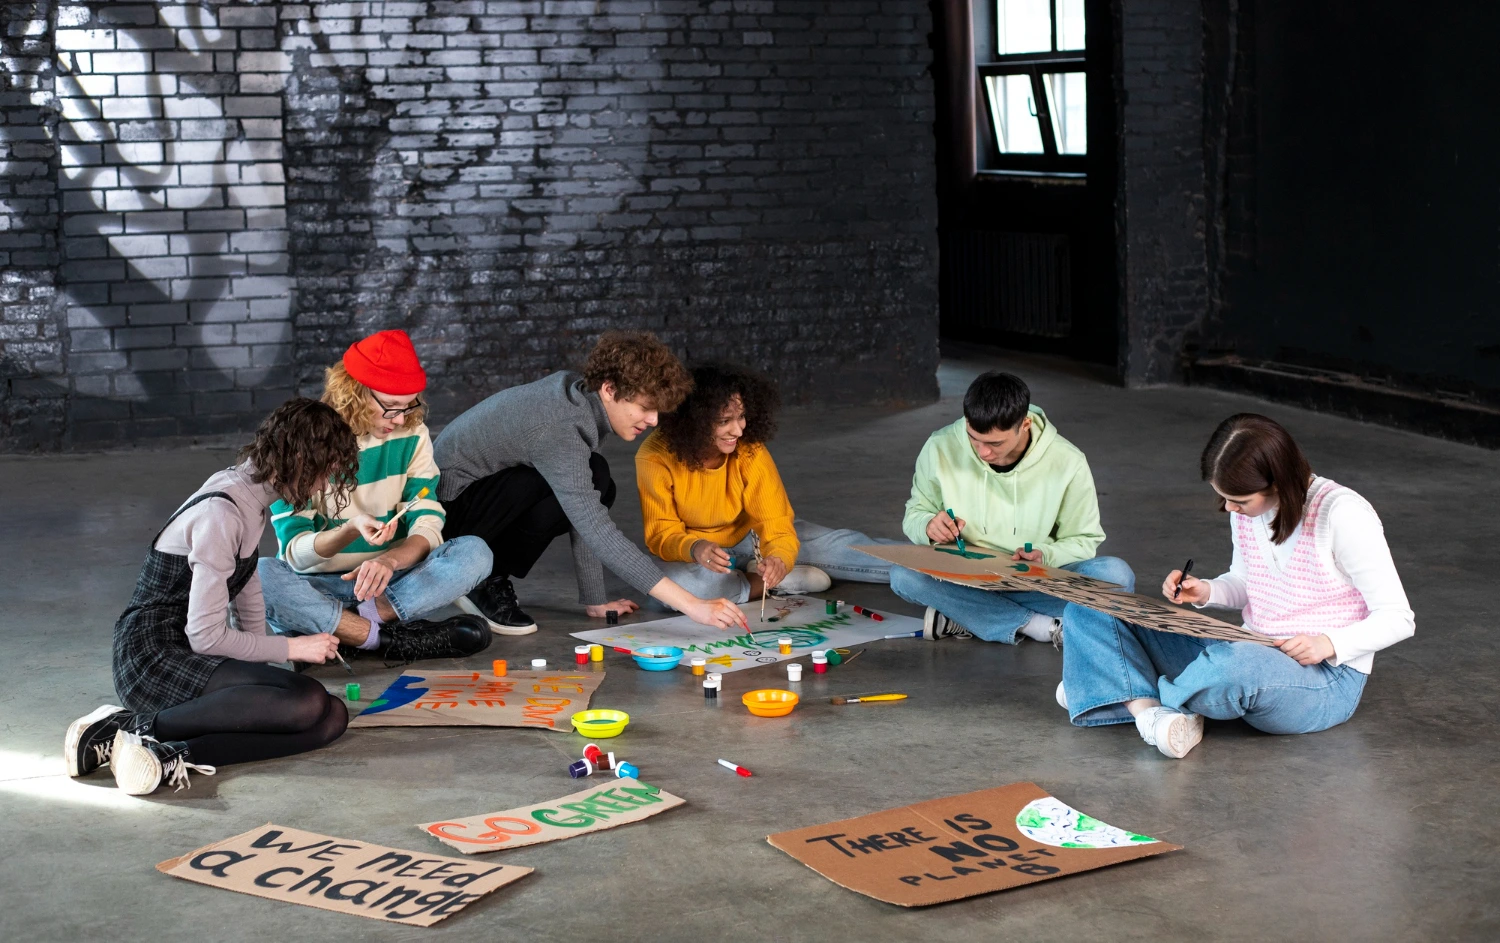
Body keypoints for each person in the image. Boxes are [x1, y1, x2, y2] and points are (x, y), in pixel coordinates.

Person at [1058, 413, 1415, 759]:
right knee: (1089, 608)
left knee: (1231, 669)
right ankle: (1150, 713)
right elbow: (1247, 581)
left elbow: (1398, 618)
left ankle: (1105, 683)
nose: (1229, 508)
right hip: (1247, 645)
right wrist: (1206, 591)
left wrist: (1328, 643)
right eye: (1224, 497)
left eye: (1240, 500)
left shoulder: (1343, 514)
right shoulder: (1247, 513)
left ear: (1278, 483)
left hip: (1324, 677)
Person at [64, 399, 355, 796]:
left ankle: (169, 755)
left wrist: (265, 680)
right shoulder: (223, 512)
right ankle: (126, 727)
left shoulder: (252, 499)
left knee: (331, 715)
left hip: (190, 650)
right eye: (322, 473)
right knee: (306, 700)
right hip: (153, 655)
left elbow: (247, 595)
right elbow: (205, 636)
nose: (322, 486)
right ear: (300, 459)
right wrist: (294, 647)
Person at [434, 331, 749, 633]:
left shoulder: (582, 399)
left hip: (478, 501)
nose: (654, 420)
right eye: (645, 408)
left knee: (596, 476)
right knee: (557, 482)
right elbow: (596, 528)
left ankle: (489, 572)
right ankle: (478, 578)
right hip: (445, 517)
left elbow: (586, 509)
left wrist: (595, 599)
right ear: (610, 389)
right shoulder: (560, 428)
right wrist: (694, 605)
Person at [256, 331, 493, 663]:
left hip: (389, 587)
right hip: (316, 586)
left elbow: (427, 521)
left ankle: (347, 630)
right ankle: (382, 640)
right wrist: (349, 530)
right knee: (259, 574)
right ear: (354, 392)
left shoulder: (413, 434)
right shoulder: (300, 439)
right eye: (391, 407)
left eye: (408, 405)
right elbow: (295, 555)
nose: (400, 419)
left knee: (475, 553)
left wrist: (389, 561)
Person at [892, 371, 1135, 642]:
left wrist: (1045, 555)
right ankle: (1035, 625)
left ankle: (968, 614)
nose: (983, 452)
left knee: (1116, 576)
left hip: (1033, 579)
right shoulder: (940, 445)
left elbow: (1084, 539)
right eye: (973, 437)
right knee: (904, 576)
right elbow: (915, 512)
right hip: (964, 576)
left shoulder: (1068, 462)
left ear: (1025, 424)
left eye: (995, 443)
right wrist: (928, 526)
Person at [636, 362, 903, 607]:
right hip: (696, 553)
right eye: (724, 421)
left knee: (843, 548)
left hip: (751, 537)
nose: (739, 430)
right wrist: (695, 548)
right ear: (693, 422)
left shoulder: (747, 447)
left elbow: (775, 521)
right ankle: (766, 583)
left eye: (741, 417)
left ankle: (929, 566)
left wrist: (778, 557)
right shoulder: (654, 456)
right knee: (670, 589)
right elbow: (662, 535)